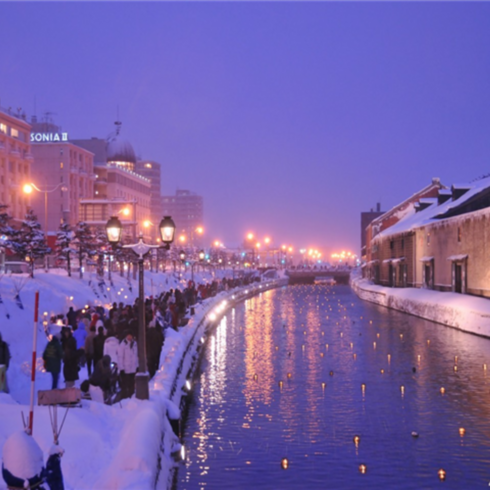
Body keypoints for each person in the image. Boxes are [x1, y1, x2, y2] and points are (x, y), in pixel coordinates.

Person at [118, 332, 138, 399]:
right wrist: (121, 368)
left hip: (132, 368)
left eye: (131, 336)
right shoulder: (123, 344)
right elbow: (120, 357)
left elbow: (136, 356)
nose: (129, 337)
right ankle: (124, 398)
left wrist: (136, 366)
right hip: (125, 369)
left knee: (132, 385)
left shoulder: (134, 344)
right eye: (128, 335)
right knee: (125, 385)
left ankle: (131, 397)